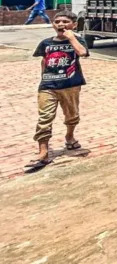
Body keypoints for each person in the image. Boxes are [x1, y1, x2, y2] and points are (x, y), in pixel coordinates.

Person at [25, 10, 88, 173]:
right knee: (45, 117)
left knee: (72, 115)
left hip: (70, 84)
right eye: (57, 21)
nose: (60, 24)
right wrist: (43, 80)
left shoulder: (77, 40)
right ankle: (43, 151)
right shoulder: (45, 43)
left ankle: (69, 137)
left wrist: (71, 37)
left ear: (74, 24)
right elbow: (43, 62)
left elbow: (82, 53)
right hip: (48, 86)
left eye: (65, 22)